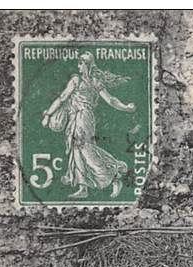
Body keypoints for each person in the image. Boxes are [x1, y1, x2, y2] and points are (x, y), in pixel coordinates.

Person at [41, 52, 135, 199]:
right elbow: (62, 98)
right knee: (78, 150)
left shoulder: (89, 81)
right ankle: (83, 187)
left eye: (81, 63)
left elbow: (110, 100)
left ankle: (114, 173)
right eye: (78, 63)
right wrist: (48, 114)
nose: (79, 66)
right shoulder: (78, 80)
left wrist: (125, 107)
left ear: (88, 65)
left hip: (83, 117)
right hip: (76, 117)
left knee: (84, 149)